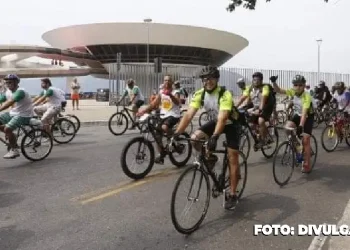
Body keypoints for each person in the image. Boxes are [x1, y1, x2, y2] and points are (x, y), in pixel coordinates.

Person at [174, 65, 241, 210]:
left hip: (231, 124)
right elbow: (188, 115)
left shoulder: (224, 94)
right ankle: (210, 158)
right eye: (205, 79)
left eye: (211, 78)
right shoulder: (200, 94)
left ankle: (233, 194)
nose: (208, 81)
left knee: (232, 156)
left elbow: (223, 118)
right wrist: (177, 134)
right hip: (217, 121)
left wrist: (215, 137)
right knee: (194, 138)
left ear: (216, 79)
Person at [271, 75, 314, 173]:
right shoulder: (293, 91)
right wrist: (274, 82)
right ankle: (297, 146)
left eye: (300, 85)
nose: (298, 87)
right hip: (298, 114)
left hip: (308, 116)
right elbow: (279, 90)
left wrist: (301, 126)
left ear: (303, 86)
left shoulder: (306, 96)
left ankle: (307, 163)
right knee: (287, 128)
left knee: (306, 140)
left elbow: (304, 113)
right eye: (295, 85)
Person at [138, 75, 181, 164]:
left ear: (172, 82)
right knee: (157, 134)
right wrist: (143, 111)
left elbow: (178, 102)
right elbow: (154, 104)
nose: (167, 82)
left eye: (169, 80)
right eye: (165, 80)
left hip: (174, 115)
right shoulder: (161, 92)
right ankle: (161, 154)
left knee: (165, 127)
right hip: (163, 115)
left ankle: (175, 140)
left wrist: (170, 95)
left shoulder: (175, 91)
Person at [235, 72, 276, 148]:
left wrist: (260, 110)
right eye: (254, 80)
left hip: (266, 106)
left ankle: (263, 140)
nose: (256, 81)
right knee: (248, 121)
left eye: (258, 80)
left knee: (261, 120)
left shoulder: (265, 87)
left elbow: (263, 99)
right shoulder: (250, 88)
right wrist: (235, 107)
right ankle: (258, 132)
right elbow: (243, 98)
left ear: (261, 80)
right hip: (256, 106)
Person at [0, 74, 34, 159]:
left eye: (10, 82)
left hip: (24, 115)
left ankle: (14, 150)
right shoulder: (8, 92)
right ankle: (12, 135)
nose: (8, 84)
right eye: (7, 83)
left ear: (16, 82)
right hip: (14, 113)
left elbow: (10, 102)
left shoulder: (20, 91)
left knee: (7, 128)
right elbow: (1, 99)